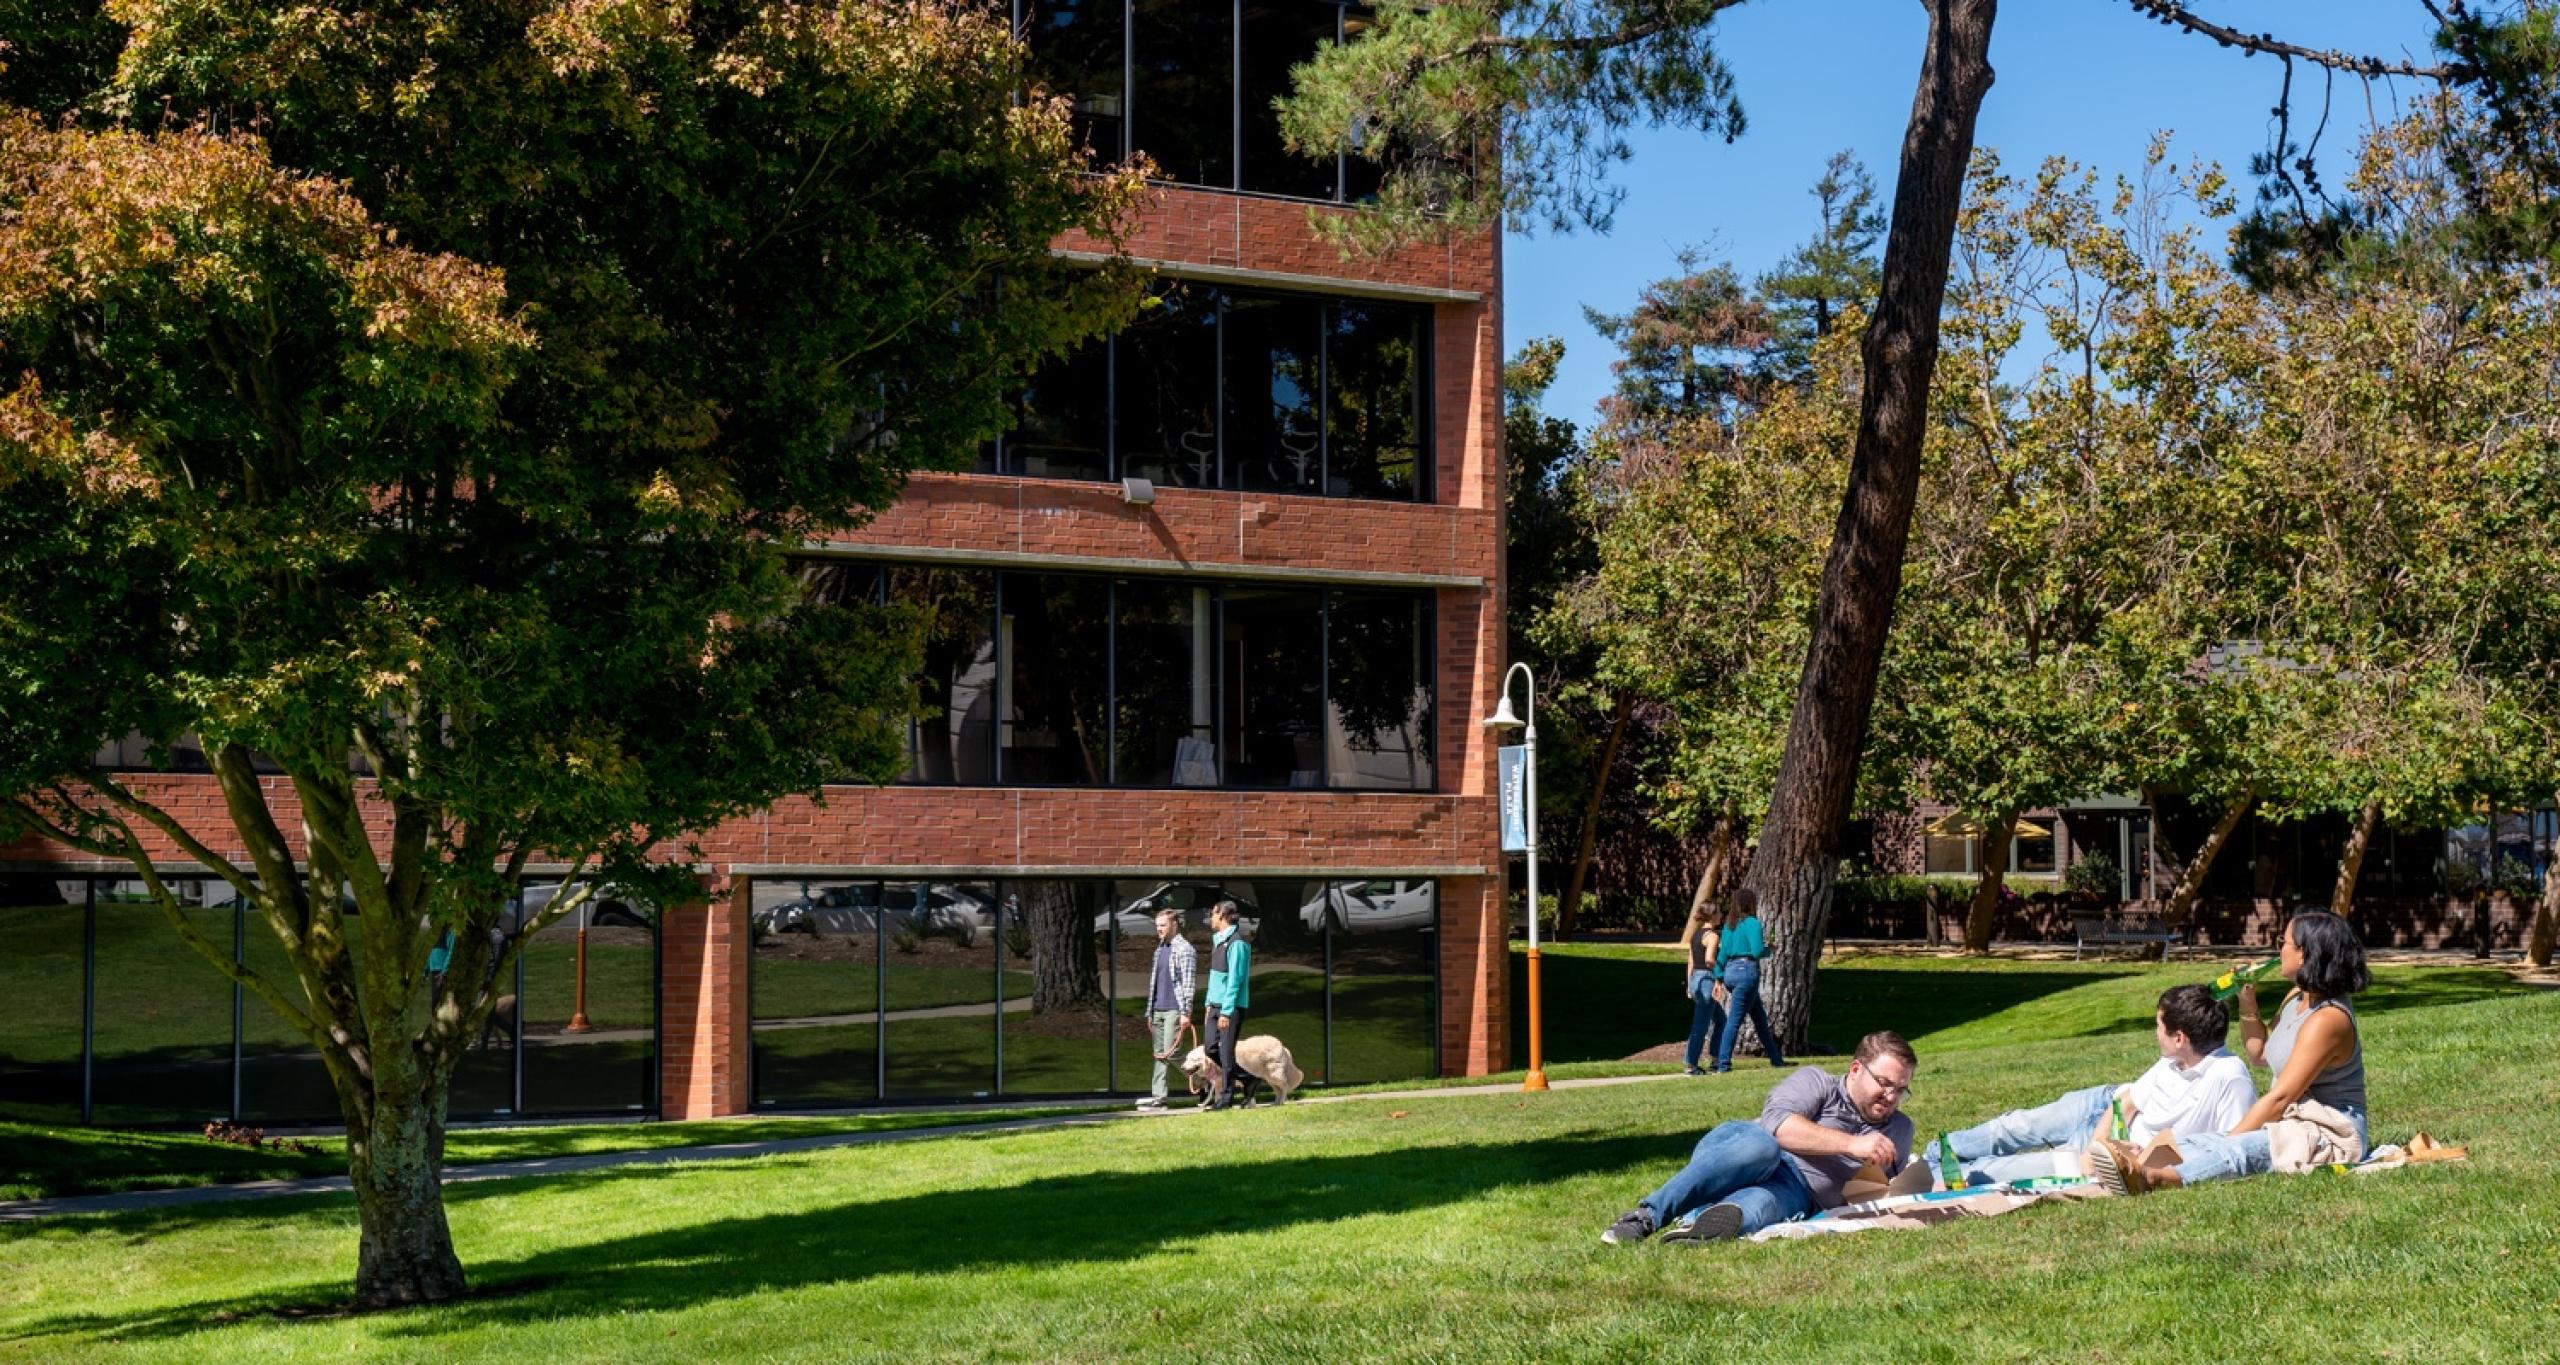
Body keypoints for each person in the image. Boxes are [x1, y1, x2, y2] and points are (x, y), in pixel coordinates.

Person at [2095, 909, 2371, 1195]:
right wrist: (2247, 1000)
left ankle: (2154, 1180)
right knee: (2195, 1141)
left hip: (2328, 1132)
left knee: (2240, 1149)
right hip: (2292, 1123)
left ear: (2304, 954)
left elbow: (2280, 1097)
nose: (2278, 949)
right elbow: (2260, 1054)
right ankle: (2136, 1163)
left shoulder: (2327, 1020)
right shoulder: (2297, 997)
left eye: (2284, 942)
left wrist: (2229, 1140)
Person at [1602, 1031, 1919, 1246]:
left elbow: (1865, 1196)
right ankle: (1647, 1216)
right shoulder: (1816, 1082)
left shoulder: (1900, 1131)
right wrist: (1852, 1145)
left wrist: (1872, 1184)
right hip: (1742, 1153)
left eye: (1901, 1089)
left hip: (1797, 1192)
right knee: (1762, 1147)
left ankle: (1698, 1227)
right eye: (1885, 1083)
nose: (1891, 1096)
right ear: (1855, 1069)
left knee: (1754, 1210)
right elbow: (1779, 1128)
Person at [1925, 984, 2255, 1187]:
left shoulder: (2229, 1077)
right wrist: (2097, 1143)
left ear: (2179, 1038)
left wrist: (2105, 1157)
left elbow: (2227, 1150)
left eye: (2158, 1026)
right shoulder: (2173, 1061)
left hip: (2113, 1156)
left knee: (1998, 1172)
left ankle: (1928, 1179)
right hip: (2101, 1108)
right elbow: (2126, 1101)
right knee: (2012, 1126)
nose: (2155, 1033)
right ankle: (1929, 1157)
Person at [1710, 888, 1786, 1073]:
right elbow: (1757, 951)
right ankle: (1723, 1063)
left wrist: (1718, 978)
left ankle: (1776, 1060)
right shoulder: (1753, 923)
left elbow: (1722, 953)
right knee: (1734, 1020)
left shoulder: (1729, 925)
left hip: (1730, 972)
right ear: (1751, 904)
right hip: (1746, 972)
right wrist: (1770, 949)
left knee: (1759, 1019)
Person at [1137, 907, 1197, 1112]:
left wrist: (1185, 1013)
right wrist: (1149, 1011)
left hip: (1174, 1009)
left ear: (1174, 925)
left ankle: (1205, 1079)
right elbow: (1155, 982)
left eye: (1162, 925)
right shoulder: (1160, 948)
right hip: (1158, 1009)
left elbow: (1188, 983)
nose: (1159, 930)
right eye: (1157, 926)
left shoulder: (1184, 949)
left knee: (1171, 1053)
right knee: (1159, 1055)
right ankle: (1159, 1098)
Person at [1202, 899, 1252, 1112]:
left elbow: (1235, 980)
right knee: (1210, 1047)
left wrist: (1226, 1011)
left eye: (1213, 913)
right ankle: (1247, 1079)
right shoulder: (1218, 941)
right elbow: (1215, 977)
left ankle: (1226, 1097)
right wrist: (1208, 1004)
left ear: (1222, 915)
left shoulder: (1237, 943)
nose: (1211, 918)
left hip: (1229, 1008)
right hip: (1214, 1005)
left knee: (1226, 1052)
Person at [1677, 900, 1727, 1076]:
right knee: (1701, 1025)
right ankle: (1690, 1064)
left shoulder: (1696, 935)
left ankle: (1715, 1059)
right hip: (1707, 979)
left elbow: (1691, 961)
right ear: (1712, 915)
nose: (1721, 915)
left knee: (1721, 1020)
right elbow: (1709, 960)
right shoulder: (1712, 936)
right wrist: (1720, 976)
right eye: (1719, 912)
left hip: (1696, 979)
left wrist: (1689, 984)